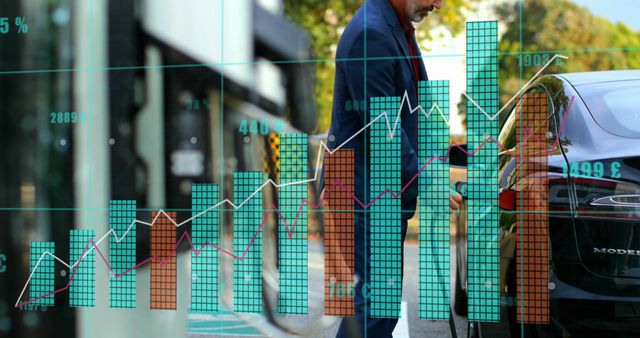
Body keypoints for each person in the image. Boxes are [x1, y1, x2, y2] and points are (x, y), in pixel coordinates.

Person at [323, 0, 462, 337]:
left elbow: (410, 116)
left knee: (377, 310)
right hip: (365, 197)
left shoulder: (394, 28)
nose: (437, 4)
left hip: (379, 197)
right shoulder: (370, 35)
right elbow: (383, 130)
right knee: (374, 311)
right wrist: (429, 184)